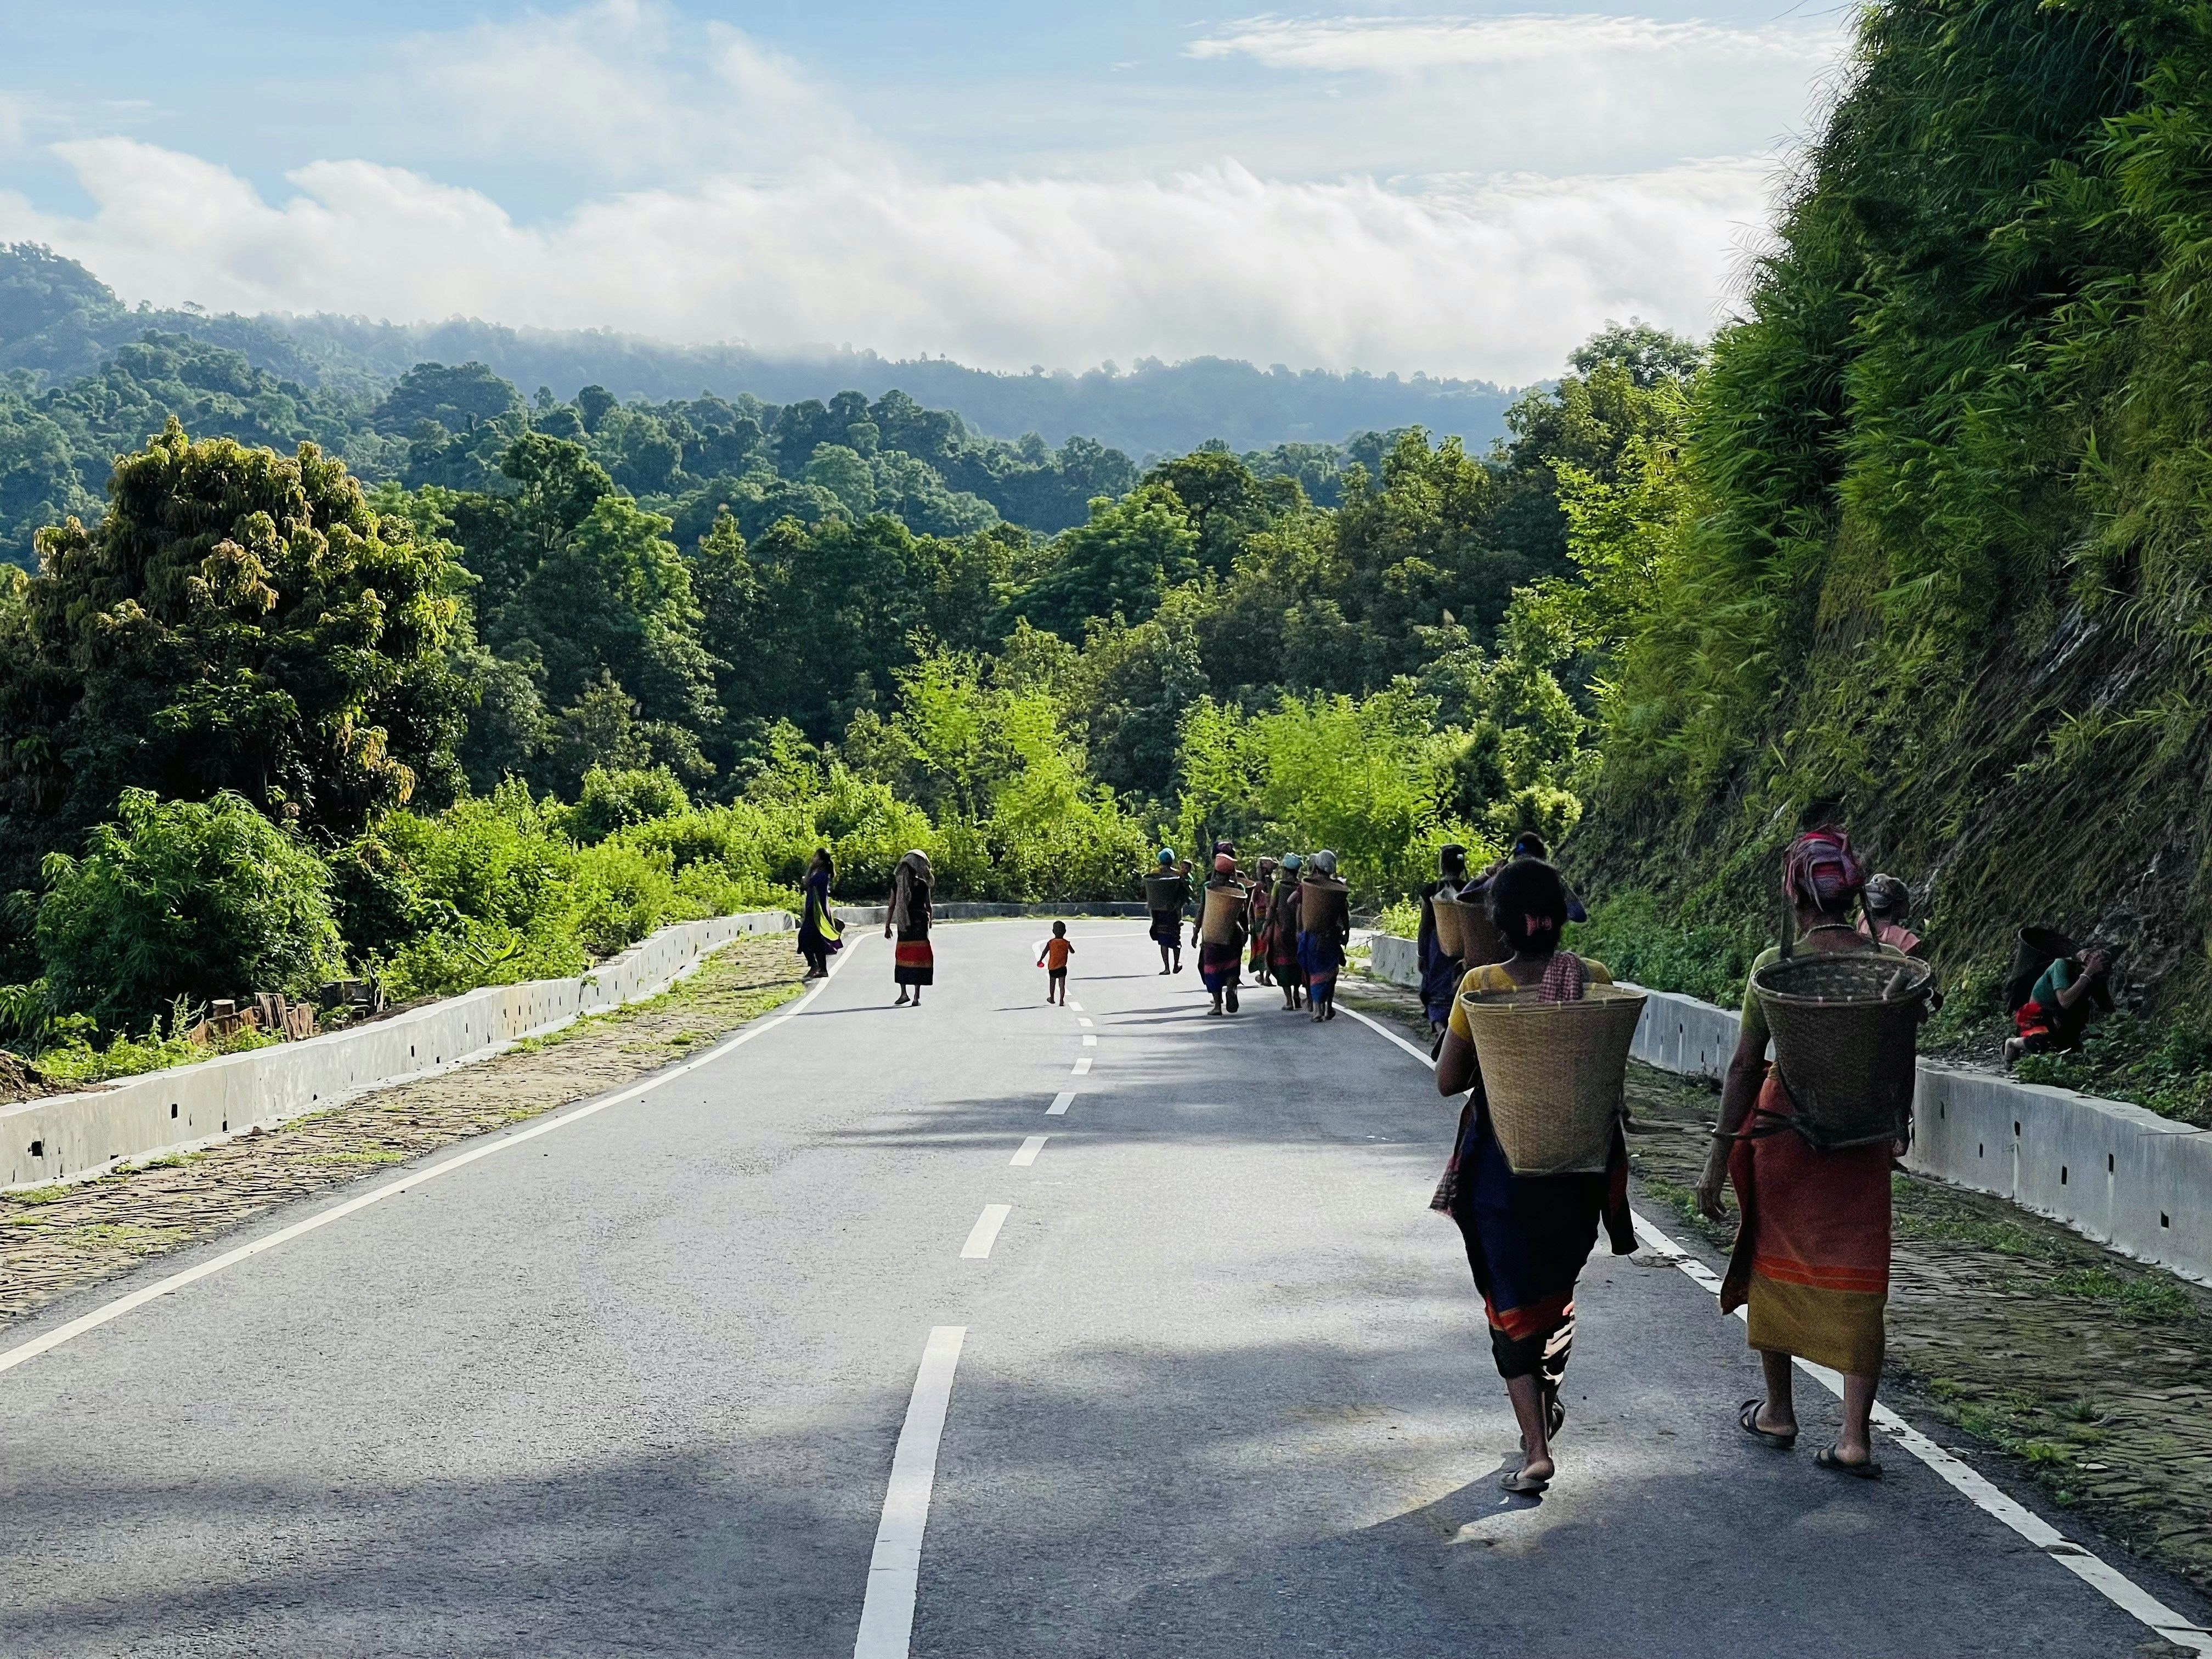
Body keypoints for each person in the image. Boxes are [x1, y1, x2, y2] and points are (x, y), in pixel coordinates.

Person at [1694, 827, 1906, 1479]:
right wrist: (1900, 1123)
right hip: (1862, 1136)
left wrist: (1714, 1162)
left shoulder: (1773, 967)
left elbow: (1742, 1069)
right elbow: (1902, 1056)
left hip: (1787, 1132)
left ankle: (1779, 1412)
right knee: (1861, 1272)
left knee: (1774, 1263)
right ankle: (1853, 1437)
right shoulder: (1889, 968)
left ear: (1795, 892)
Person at [1433, 857, 1634, 1495]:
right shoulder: (1594, 978)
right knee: (1554, 1289)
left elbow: (1448, 1082)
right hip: (1578, 1171)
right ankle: (1544, 1408)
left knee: (1509, 1302)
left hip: (1504, 1173)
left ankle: (1536, 1446)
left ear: (1499, 924)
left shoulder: (1480, 987)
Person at [2004, 944, 2113, 1065]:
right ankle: (2013, 1043)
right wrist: (2088, 973)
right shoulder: (2061, 965)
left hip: (2061, 1018)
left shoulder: (2095, 977)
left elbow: (2107, 1008)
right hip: (2037, 1016)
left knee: (2067, 1048)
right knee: (2044, 1045)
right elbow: (2065, 1001)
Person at [1470, 833, 1589, 924]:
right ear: (1541, 856)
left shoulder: (1503, 877)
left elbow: (1465, 897)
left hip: (1510, 948)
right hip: (1544, 947)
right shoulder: (1550, 878)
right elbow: (1579, 915)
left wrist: (1487, 874)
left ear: (1516, 856)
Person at [1419, 844, 1472, 1043]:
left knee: (1435, 992)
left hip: (1437, 949)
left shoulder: (1431, 891)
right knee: (1458, 989)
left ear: (1442, 865)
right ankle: (1455, 1034)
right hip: (1464, 950)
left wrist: (1421, 955)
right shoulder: (1469, 890)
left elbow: (1424, 927)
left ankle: (1441, 1030)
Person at [1194, 851, 1250, 1016]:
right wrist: (1246, 931)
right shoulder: (1239, 888)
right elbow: (1243, 913)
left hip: (1212, 935)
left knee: (1211, 969)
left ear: (1215, 871)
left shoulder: (1208, 889)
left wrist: (1196, 931)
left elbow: (1202, 910)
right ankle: (1232, 988)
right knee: (1232, 966)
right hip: (1233, 934)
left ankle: (1218, 1006)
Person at [1297, 850, 1350, 1022]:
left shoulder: (1308, 886)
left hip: (1312, 937)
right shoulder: (1338, 889)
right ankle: (1328, 1008)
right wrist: (1346, 934)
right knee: (1329, 973)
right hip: (1331, 939)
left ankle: (1317, 1010)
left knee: (1314, 972)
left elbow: (1292, 901)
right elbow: (1344, 914)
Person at [884, 849, 934, 1007]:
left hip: (905, 924)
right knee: (919, 958)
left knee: (903, 957)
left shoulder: (897, 885)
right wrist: (930, 921)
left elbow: (892, 906)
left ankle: (903, 993)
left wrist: (887, 925)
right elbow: (929, 906)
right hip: (920, 924)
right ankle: (916, 997)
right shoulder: (923, 885)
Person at [797, 848, 843, 980]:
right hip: (816, 911)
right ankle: (822, 969)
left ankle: (814, 965)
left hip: (817, 913)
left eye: (816, 857)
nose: (813, 859)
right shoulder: (820, 873)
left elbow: (805, 883)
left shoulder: (821, 875)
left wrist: (810, 869)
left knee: (804, 939)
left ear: (821, 861)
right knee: (817, 941)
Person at [1270, 853, 1308, 1010]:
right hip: (1298, 931)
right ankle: (1297, 994)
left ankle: (1289, 1001)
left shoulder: (1279, 885)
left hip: (1282, 930)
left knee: (1283, 963)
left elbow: (1272, 906)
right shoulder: (1302, 886)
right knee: (1297, 963)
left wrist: (1267, 924)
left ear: (1285, 870)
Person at [1144, 847, 1189, 975]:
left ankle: (1167, 968)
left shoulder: (1154, 873)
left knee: (1163, 941)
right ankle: (1176, 964)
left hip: (1159, 913)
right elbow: (1183, 893)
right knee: (1175, 939)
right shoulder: (1178, 875)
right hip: (1173, 913)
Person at [1249, 856, 1280, 986]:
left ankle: (1264, 976)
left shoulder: (1262, 885)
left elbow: (1251, 906)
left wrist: (1251, 921)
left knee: (1264, 947)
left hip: (1262, 919)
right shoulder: (1269, 885)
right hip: (1265, 919)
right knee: (1268, 947)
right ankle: (1265, 976)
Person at [1037, 921, 1074, 1005]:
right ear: (1065, 931)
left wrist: (1041, 960)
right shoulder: (1066, 943)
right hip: (1063, 967)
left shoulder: (1051, 942)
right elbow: (1073, 951)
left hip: (1052, 967)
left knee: (1052, 983)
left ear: (1053, 931)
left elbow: (1045, 952)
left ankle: (1052, 998)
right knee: (1062, 985)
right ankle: (1061, 1001)